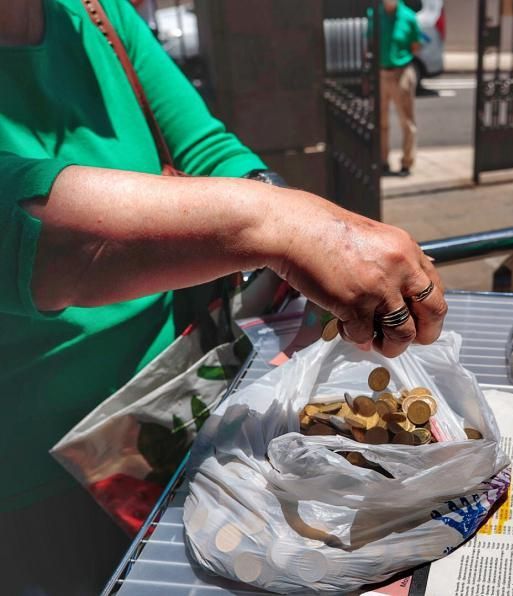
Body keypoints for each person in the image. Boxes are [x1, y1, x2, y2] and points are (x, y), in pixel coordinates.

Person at [0, 0, 446, 593]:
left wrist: (284, 212)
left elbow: (206, 148)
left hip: (171, 418)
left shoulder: (98, 14)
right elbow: (34, 232)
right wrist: (283, 228)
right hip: (32, 492)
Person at [376, 0, 422, 177]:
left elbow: (415, 45)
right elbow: (369, 43)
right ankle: (382, 160)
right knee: (381, 121)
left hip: (401, 73)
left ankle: (407, 162)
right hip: (380, 73)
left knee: (407, 121)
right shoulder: (376, 15)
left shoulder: (408, 17)